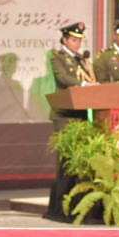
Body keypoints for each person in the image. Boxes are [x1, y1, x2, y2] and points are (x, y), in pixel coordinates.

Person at [44, 21, 95, 223]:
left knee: (79, 158)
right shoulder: (58, 57)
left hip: (81, 113)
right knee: (65, 159)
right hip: (64, 114)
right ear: (65, 39)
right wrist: (84, 84)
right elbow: (63, 78)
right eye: (74, 39)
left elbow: (91, 78)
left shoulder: (82, 59)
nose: (77, 43)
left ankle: (78, 202)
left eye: (80, 40)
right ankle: (62, 205)